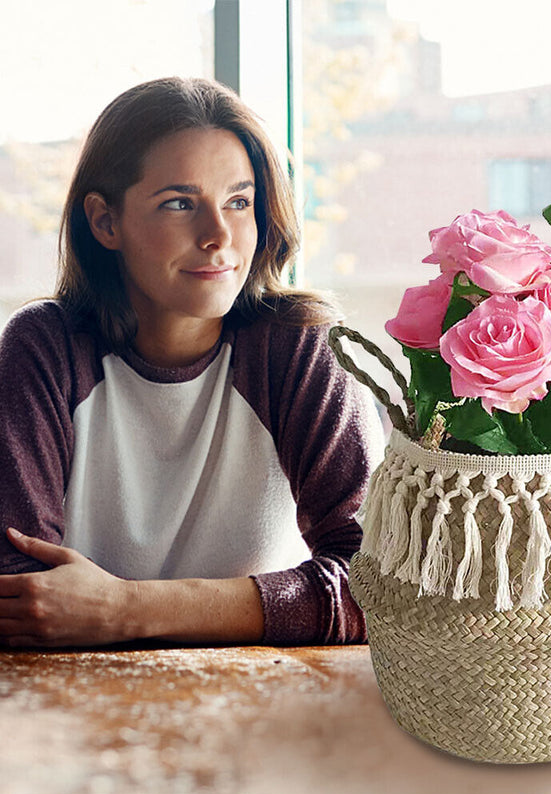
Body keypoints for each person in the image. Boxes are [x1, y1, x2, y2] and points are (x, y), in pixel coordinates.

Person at [0, 77, 384, 648]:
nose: (219, 236)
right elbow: (18, 597)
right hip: (79, 708)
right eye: (180, 204)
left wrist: (128, 609)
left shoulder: (297, 349)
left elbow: (383, 586)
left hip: (262, 703)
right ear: (106, 222)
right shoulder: (45, 349)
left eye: (239, 201)